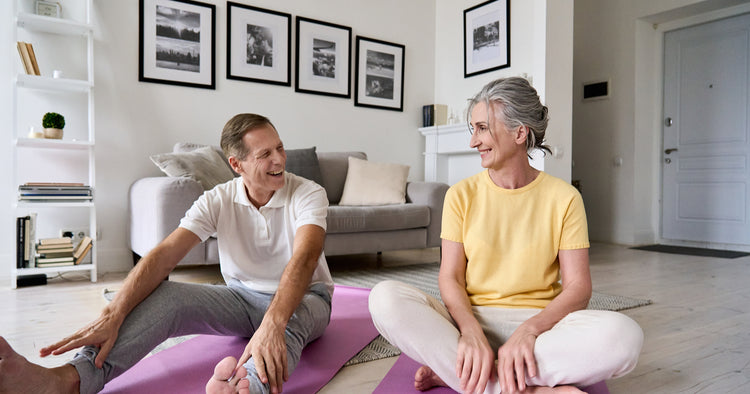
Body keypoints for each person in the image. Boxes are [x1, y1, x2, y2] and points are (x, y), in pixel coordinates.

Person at [0, 113, 334, 394]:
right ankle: (68, 380)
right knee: (166, 296)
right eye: (265, 154)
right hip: (242, 299)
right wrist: (114, 313)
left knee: (290, 319)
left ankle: (243, 388)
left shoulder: (308, 193)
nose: (279, 160)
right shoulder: (218, 198)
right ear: (236, 165)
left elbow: (304, 259)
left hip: (306, 298)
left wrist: (273, 323)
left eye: (279, 148)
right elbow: (164, 254)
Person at [369, 77, 643, 394]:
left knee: (625, 337)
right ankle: (522, 385)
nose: (473, 142)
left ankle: (467, 376)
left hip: (542, 331)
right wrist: (470, 332)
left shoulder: (564, 198)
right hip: (469, 321)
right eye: (473, 129)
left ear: (519, 132)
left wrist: (529, 330)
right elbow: (450, 278)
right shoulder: (460, 195)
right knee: (384, 298)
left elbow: (578, 288)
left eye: (482, 128)